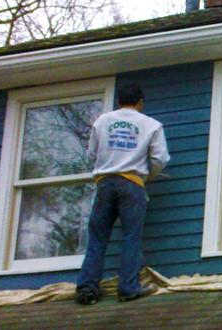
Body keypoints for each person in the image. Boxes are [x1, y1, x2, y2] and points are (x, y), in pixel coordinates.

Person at [75, 83, 171, 305]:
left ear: (118, 101)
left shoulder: (102, 122)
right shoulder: (151, 125)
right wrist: (150, 176)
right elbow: (161, 159)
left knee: (98, 238)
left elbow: (92, 153)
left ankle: (87, 289)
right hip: (131, 185)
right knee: (131, 237)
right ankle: (128, 288)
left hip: (105, 183)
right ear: (140, 102)